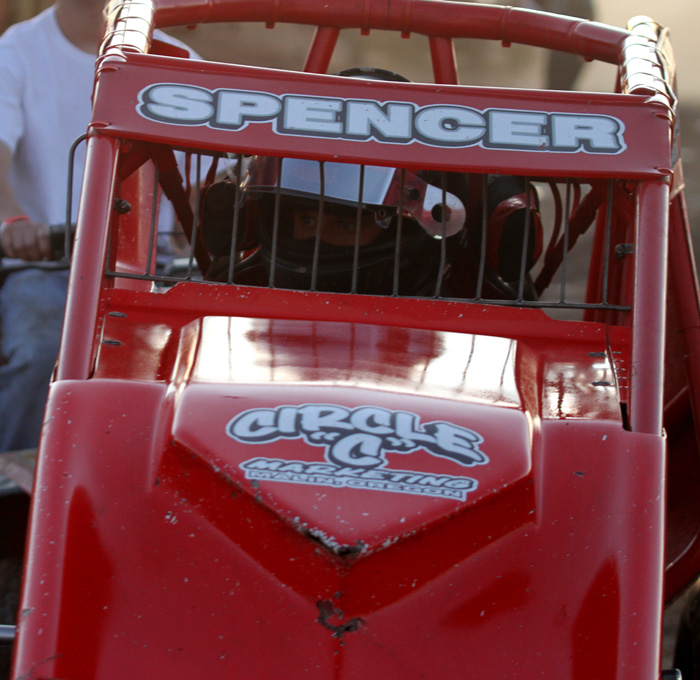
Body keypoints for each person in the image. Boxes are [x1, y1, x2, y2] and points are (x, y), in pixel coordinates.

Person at [0, 0, 196, 453]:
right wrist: (13, 221)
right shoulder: (17, 52)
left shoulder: (180, 61)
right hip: (50, 267)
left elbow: (207, 180)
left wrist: (202, 239)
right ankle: (18, 477)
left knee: (183, 367)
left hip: (156, 272)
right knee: (41, 350)